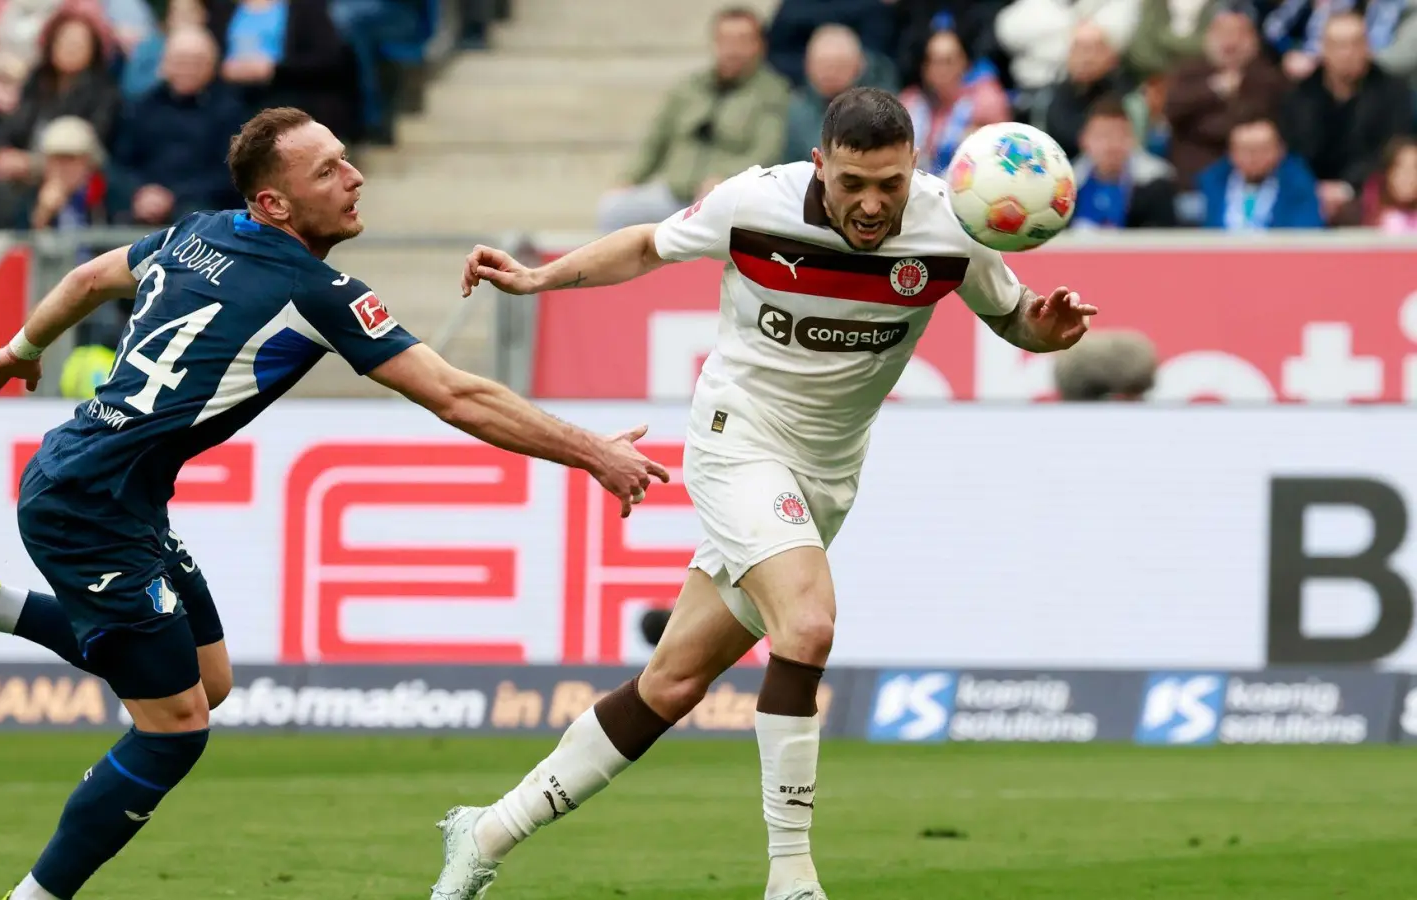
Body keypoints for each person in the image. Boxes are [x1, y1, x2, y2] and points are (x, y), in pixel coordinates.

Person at [0, 105, 669, 900]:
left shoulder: (198, 231)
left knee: (206, 679)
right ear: (275, 205)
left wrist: (25, 350)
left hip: (111, 491)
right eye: (327, 169)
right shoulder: (315, 290)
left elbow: (90, 277)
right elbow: (458, 396)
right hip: (89, 508)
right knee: (176, 730)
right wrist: (592, 451)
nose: (354, 175)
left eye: (345, 160)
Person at [430, 87, 1097, 900]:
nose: (872, 203)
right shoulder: (756, 203)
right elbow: (647, 246)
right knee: (808, 624)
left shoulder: (951, 223)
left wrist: (1046, 328)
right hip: (737, 442)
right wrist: (539, 280)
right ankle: (791, 877)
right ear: (821, 165)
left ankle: (486, 830)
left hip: (828, 474)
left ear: (915, 168)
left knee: (672, 684)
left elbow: (1015, 315)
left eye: (890, 183)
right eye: (853, 182)